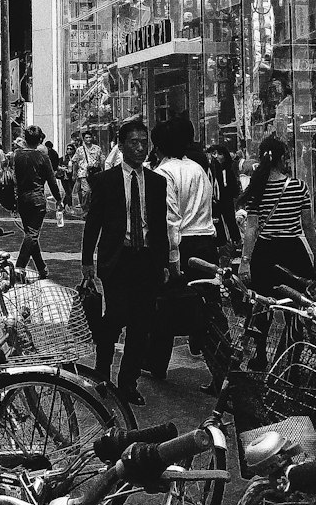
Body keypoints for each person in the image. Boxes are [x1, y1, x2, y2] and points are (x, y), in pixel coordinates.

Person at [81, 116, 170, 405]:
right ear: (121, 146)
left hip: (145, 259)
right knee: (116, 315)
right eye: (134, 143)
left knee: (141, 322)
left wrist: (164, 262)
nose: (140, 148)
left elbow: (158, 226)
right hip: (116, 259)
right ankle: (102, 370)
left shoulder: (156, 182)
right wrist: (87, 261)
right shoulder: (106, 181)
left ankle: (128, 382)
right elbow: (93, 222)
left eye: (144, 143)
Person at [238, 134, 316, 364]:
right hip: (293, 251)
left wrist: (245, 260)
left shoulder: (257, 187)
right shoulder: (299, 187)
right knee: (296, 308)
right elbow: (308, 227)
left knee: (262, 305)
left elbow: (252, 229)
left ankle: (260, 354)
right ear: (282, 158)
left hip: (265, 252)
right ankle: (291, 358)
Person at [147, 118, 218, 381]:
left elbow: (170, 219)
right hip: (206, 241)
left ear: (158, 146)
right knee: (209, 306)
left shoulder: (164, 173)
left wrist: (172, 259)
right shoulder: (197, 168)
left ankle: (157, 363)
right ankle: (218, 367)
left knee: (165, 306)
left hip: (183, 245)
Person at [13, 125, 64, 278]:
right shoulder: (42, 157)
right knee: (32, 235)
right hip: (37, 198)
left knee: (30, 235)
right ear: (40, 139)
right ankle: (20, 266)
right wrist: (59, 199)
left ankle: (41, 268)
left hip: (22, 199)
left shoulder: (16, 155)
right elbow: (52, 181)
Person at [207, 143, 242, 250]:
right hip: (216, 200)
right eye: (214, 154)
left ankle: (236, 241)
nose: (217, 156)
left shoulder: (229, 170)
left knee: (230, 220)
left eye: (220, 154)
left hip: (226, 199)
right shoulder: (211, 170)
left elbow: (233, 187)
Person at [73, 130, 105, 215]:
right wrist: (74, 173)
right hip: (83, 173)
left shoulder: (97, 148)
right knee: (86, 192)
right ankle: (85, 210)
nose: (88, 139)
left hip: (95, 173)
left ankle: (94, 209)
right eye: (86, 137)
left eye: (90, 137)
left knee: (95, 192)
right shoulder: (80, 150)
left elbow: (102, 160)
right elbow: (75, 161)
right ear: (83, 139)